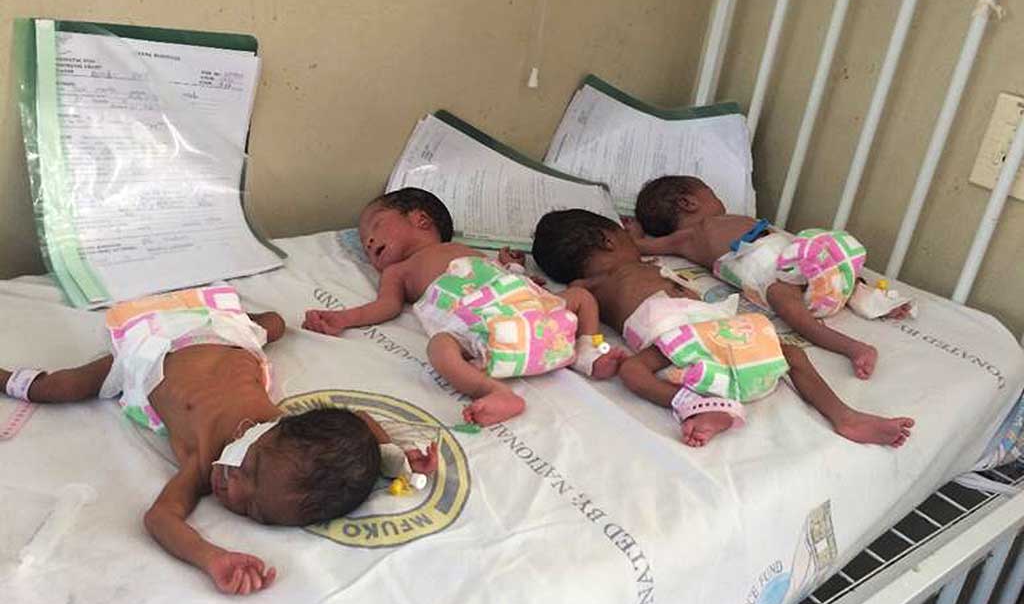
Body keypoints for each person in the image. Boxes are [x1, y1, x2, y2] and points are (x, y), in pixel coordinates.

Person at [2, 284, 435, 595]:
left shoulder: (204, 463)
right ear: (266, 431)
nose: (233, 491)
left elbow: (161, 518)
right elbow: (359, 421)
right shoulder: (286, 429)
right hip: (229, 334)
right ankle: (257, 321)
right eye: (251, 471)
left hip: (150, 356)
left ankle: (7, 379)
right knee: (275, 324)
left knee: (58, 387)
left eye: (252, 510)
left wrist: (211, 557)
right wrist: (392, 455)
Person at [532, 209, 914, 447]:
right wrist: (589, 348)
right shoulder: (589, 285)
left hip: (708, 326)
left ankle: (845, 417)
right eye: (623, 236)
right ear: (608, 239)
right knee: (633, 370)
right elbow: (573, 306)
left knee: (790, 352)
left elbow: (643, 249)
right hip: (666, 331)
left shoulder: (620, 272)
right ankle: (693, 404)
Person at [303, 188, 626, 425]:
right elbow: (386, 306)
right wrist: (343, 318)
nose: (369, 242)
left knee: (581, 297)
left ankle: (587, 351)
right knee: (440, 348)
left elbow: (499, 276)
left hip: (529, 313)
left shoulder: (461, 248)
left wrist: (515, 269)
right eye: (365, 244)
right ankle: (494, 391)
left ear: (420, 219)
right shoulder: (397, 272)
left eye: (375, 227)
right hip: (483, 331)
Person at [627, 176, 907, 378]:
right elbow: (641, 247)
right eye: (712, 194)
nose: (720, 200)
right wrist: (636, 233)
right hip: (773, 277)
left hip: (800, 257)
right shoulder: (688, 237)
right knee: (785, 301)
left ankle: (873, 299)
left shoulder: (729, 219)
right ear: (688, 203)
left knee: (827, 252)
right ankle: (851, 347)